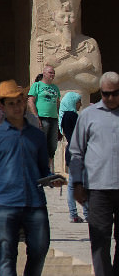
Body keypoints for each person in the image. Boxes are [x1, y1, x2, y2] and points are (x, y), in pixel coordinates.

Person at [0, 79, 61, 276]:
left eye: (19, 102)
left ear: (24, 103)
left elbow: (42, 169)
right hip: (6, 203)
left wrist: (51, 179)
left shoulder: (36, 136)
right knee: (6, 254)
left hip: (34, 201)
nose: (16, 107)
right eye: (11, 103)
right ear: (2, 106)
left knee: (40, 247)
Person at [69, 71, 119, 276]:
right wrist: (77, 183)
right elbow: (76, 152)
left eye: (114, 94)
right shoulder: (88, 115)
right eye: (106, 94)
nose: (109, 98)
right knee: (99, 241)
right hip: (98, 188)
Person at [59, 90, 87, 224]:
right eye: (78, 102)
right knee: (80, 183)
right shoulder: (72, 116)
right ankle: (84, 213)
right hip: (77, 151)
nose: (80, 104)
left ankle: (75, 213)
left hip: (71, 150)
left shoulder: (66, 116)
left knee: (73, 183)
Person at [28, 64, 61, 169]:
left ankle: (47, 168)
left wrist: (59, 116)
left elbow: (57, 103)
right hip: (42, 118)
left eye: (53, 73)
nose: (52, 75)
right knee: (40, 144)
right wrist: (35, 116)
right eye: (50, 73)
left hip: (54, 118)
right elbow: (31, 101)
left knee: (52, 145)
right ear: (44, 73)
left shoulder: (55, 88)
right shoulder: (37, 85)